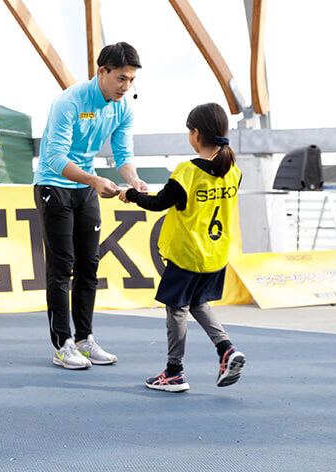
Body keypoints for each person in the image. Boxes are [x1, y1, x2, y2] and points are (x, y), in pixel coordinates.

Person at [33, 42, 147, 370]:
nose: (127, 87)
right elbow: (54, 159)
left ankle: (84, 339)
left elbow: (123, 156)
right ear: (102, 72)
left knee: (89, 265)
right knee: (61, 268)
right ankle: (62, 343)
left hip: (85, 189)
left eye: (131, 80)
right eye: (121, 79)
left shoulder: (123, 107)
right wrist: (95, 181)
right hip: (54, 186)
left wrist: (134, 180)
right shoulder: (69, 102)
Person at [119, 102, 246, 393]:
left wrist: (131, 195)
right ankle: (226, 348)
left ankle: (174, 371)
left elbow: (158, 202)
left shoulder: (187, 171)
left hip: (187, 253)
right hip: (215, 255)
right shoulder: (233, 171)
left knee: (176, 309)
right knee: (198, 303)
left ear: (195, 134)